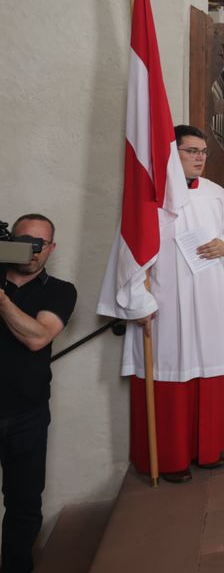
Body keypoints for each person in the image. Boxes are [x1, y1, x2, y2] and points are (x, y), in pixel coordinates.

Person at [109, 125, 224, 483]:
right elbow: (132, 251)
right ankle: (170, 458)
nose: (200, 157)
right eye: (191, 151)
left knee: (209, 365)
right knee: (172, 370)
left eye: (203, 152)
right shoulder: (152, 197)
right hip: (167, 300)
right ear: (172, 152)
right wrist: (139, 301)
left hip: (209, 299)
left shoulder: (216, 194)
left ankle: (208, 450)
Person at [1, 214, 75, 573]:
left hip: (26, 416)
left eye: (39, 244)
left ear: (51, 249)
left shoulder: (59, 290)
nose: (31, 251)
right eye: (24, 240)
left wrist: (1, 300)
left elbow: (37, 337)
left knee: (24, 503)